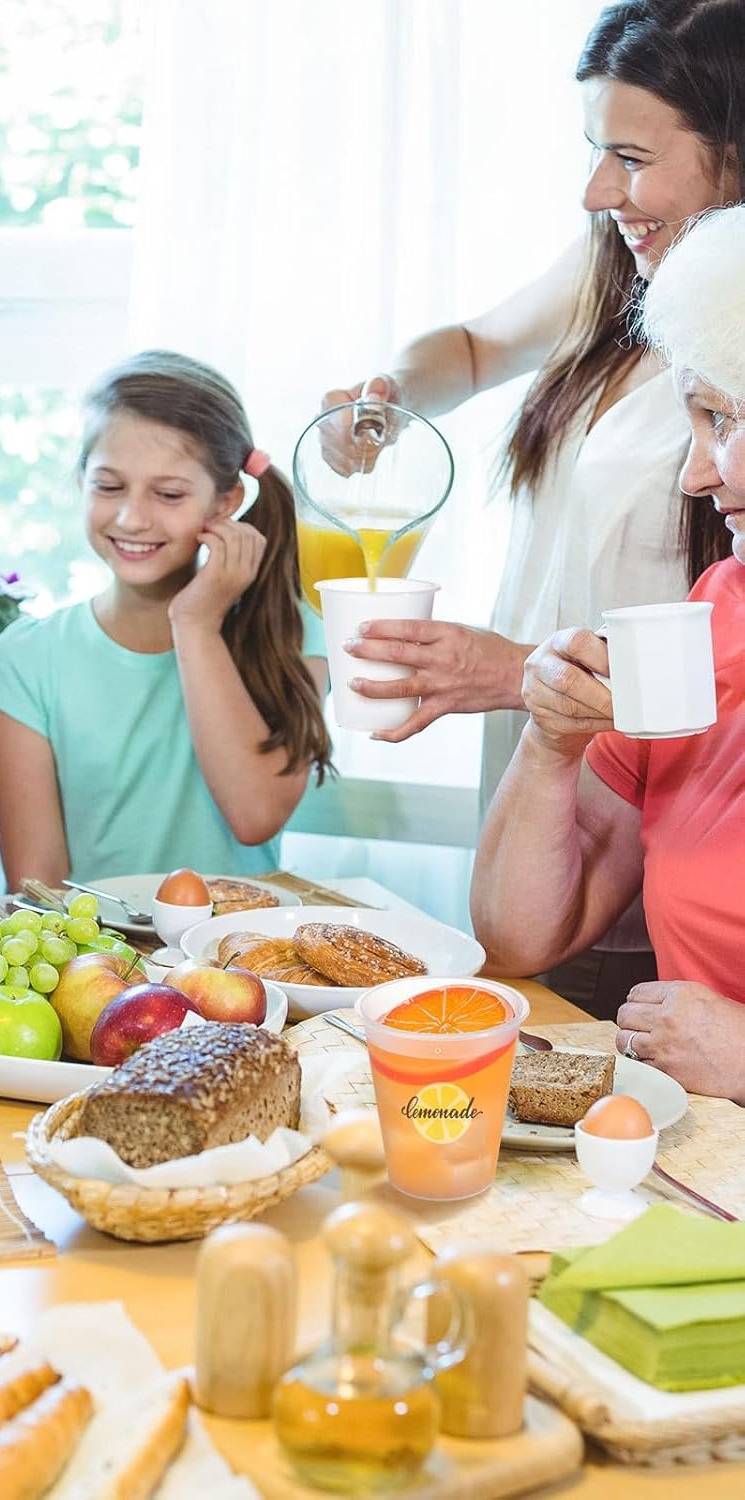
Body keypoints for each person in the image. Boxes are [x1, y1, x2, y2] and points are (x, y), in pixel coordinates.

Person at [321, 0, 745, 1012]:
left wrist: (520, 673)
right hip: (594, 781)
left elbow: (707, 672)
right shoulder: (629, 271)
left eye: (632, 157)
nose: (600, 190)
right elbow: (468, 348)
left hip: (673, 832)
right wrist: (387, 396)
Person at [471, 202, 745, 1104]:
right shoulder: (717, 613)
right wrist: (552, 743)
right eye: (695, 422)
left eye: (724, 420)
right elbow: (520, 939)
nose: (695, 474)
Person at [0, 350, 330, 887]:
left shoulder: (291, 632)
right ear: (81, 482)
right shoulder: (27, 661)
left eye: (168, 494)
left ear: (226, 501)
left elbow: (256, 817)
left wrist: (195, 624)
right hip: (93, 960)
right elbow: (37, 888)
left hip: (236, 956)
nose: (132, 518)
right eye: (109, 486)